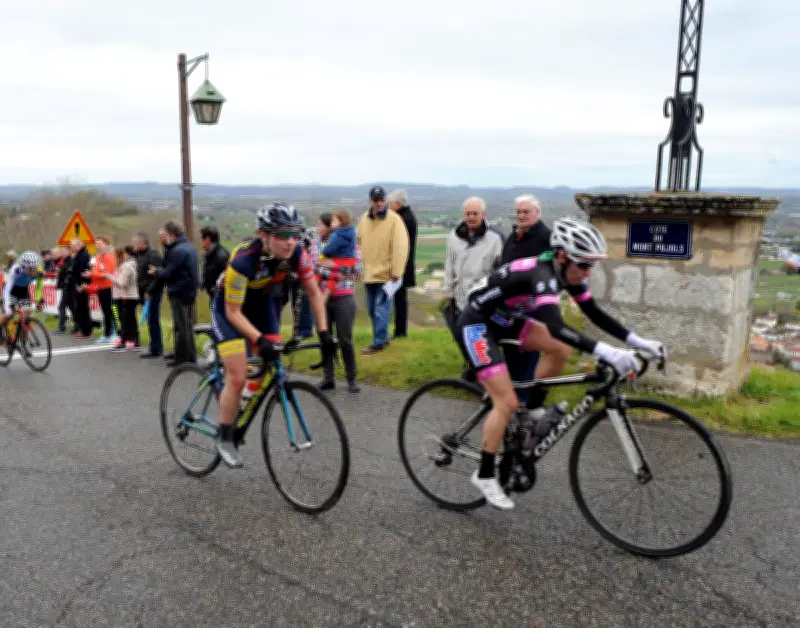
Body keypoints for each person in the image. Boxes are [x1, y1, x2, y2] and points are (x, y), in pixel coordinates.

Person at [456, 217, 668, 510]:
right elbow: (555, 325)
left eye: (591, 266)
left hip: (507, 320)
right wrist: (607, 352)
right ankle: (485, 473)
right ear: (562, 256)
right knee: (504, 402)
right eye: (583, 265)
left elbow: (594, 313)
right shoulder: (541, 274)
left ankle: (531, 412)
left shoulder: (567, 273)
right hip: (477, 323)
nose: (586, 272)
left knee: (559, 352)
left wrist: (637, 341)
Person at [211, 202, 336, 468]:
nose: (289, 242)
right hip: (230, 309)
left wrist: (324, 333)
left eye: (294, 234)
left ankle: (241, 401)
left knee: (272, 362)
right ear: (263, 235)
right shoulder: (244, 259)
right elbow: (233, 312)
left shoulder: (297, 253)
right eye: (281, 235)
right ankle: (224, 436)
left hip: (262, 304)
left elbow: (314, 293)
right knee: (238, 374)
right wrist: (258, 340)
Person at [318, 209, 358, 303]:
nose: (317, 227)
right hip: (347, 262)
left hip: (344, 294)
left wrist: (336, 267)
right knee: (332, 276)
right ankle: (321, 296)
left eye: (321, 224)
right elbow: (314, 266)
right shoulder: (316, 243)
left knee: (327, 275)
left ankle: (322, 297)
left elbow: (357, 269)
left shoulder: (337, 235)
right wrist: (341, 272)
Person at [0, 250, 44, 332]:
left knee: (27, 314)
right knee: (9, 313)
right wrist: (7, 304)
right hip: (10, 290)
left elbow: (38, 288)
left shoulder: (39, 272)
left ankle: (20, 333)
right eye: (29, 268)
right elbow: (7, 288)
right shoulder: (16, 270)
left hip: (23, 290)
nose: (32, 271)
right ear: (23, 266)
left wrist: (38, 300)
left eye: (34, 268)